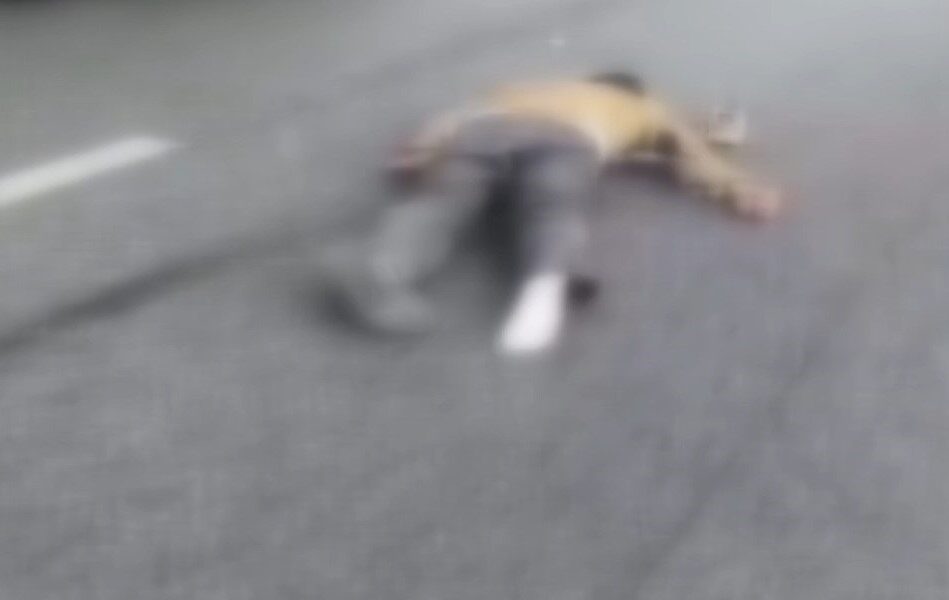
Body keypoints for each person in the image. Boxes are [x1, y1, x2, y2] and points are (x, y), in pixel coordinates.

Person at [324, 71, 783, 355]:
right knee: (552, 204)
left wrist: (418, 151)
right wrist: (741, 191)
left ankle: (382, 268)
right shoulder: (643, 107)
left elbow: (456, 119)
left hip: (485, 130)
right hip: (565, 141)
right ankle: (547, 278)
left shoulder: (522, 87)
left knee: (445, 201)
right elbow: (691, 153)